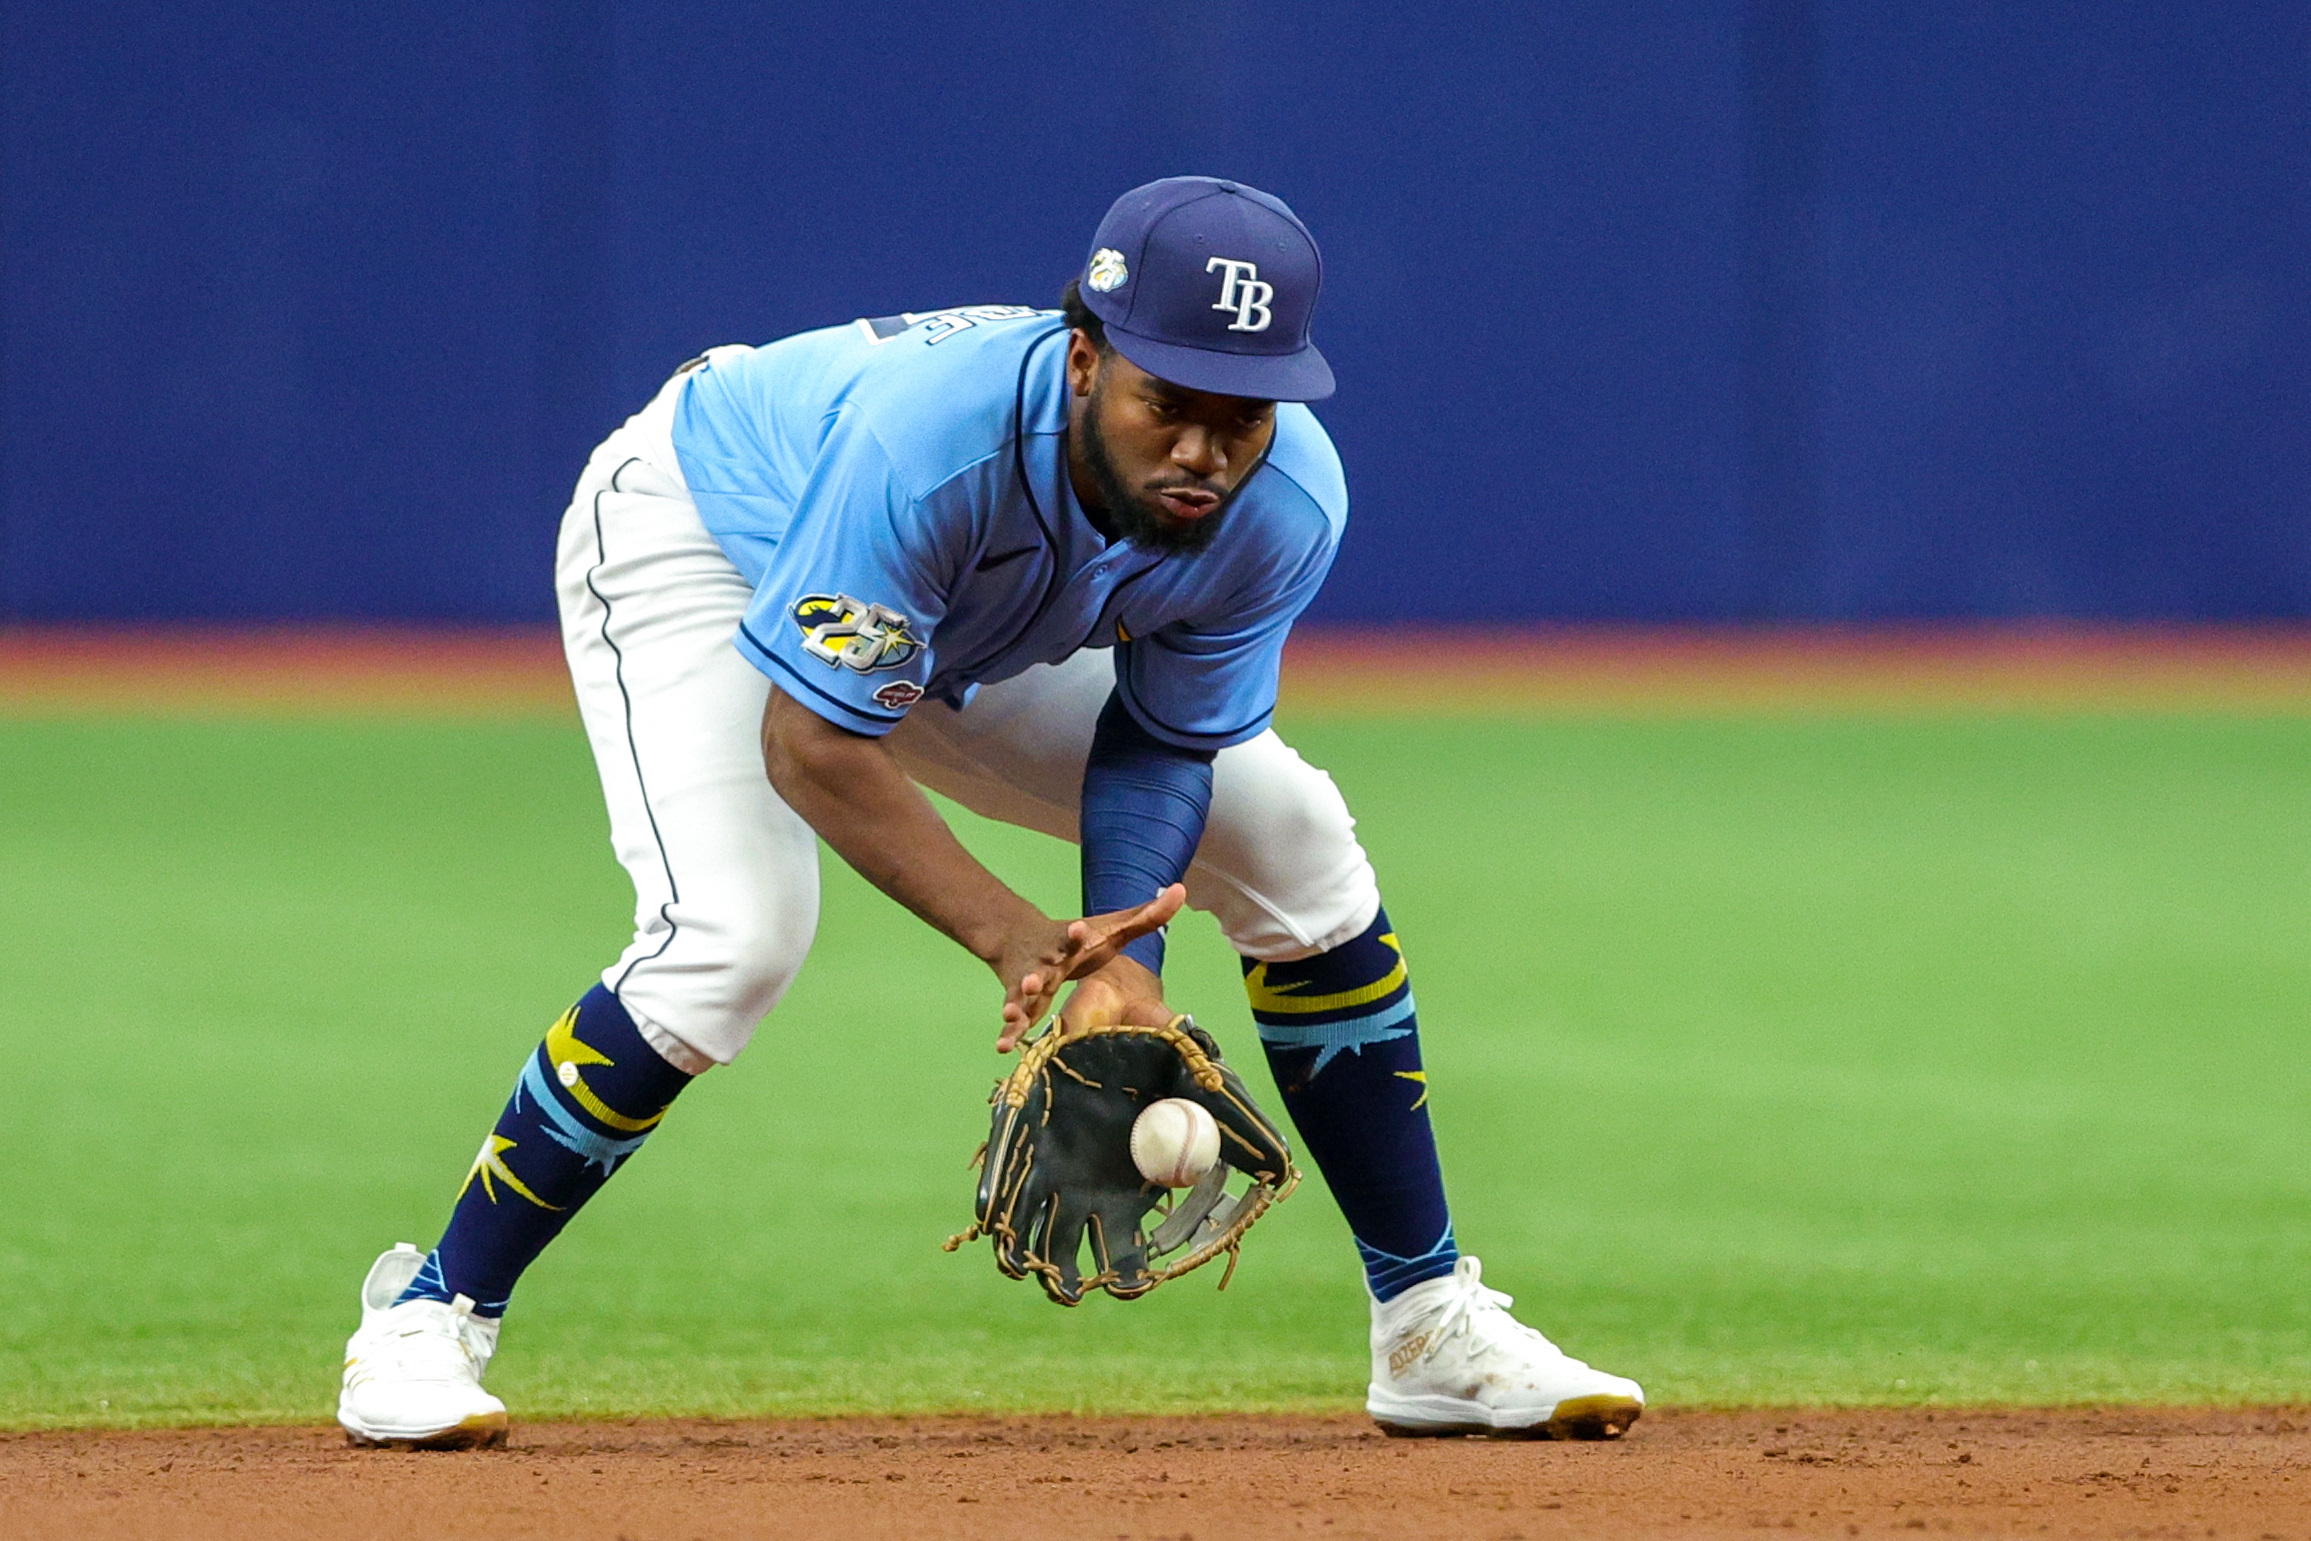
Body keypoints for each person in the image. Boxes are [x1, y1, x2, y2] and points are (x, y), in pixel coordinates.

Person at [336, 177, 1644, 1447]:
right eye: (1167, 402)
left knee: (1290, 833)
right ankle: (428, 1307)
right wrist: (1027, 946)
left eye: (1241, 413)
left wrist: (1122, 969)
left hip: (954, 619)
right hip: (709, 533)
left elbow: (1160, 737)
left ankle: (1427, 1325)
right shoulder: (932, 444)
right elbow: (811, 740)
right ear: (1085, 361)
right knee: (735, 937)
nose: (1202, 450)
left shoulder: (1284, 500)